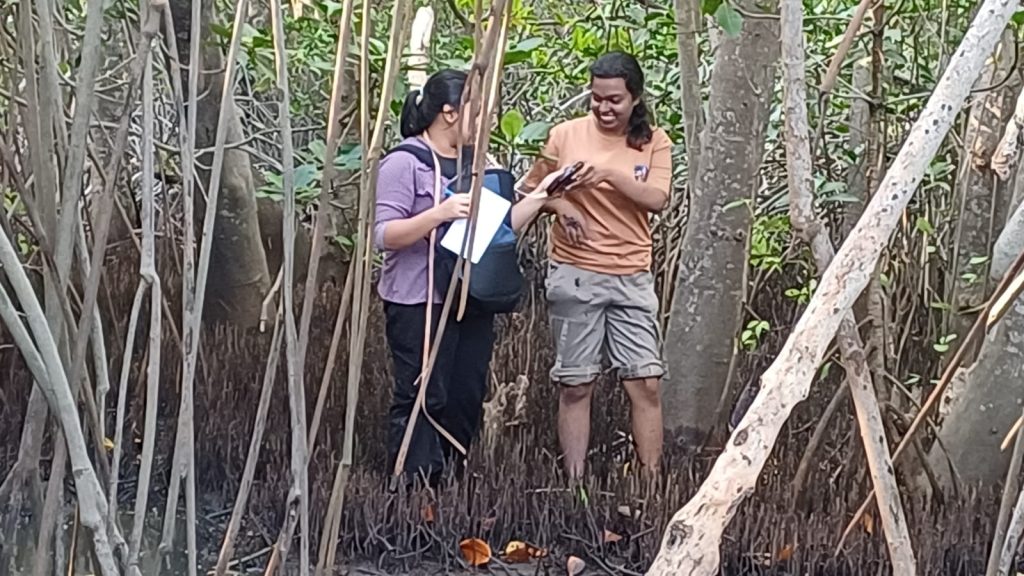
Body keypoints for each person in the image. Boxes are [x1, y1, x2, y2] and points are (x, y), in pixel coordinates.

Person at [374, 69, 563, 484]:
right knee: (425, 394)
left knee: (464, 395)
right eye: (480, 112)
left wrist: (542, 195)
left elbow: (500, 224)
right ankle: (412, 488)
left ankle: (449, 484)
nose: (489, 122)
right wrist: (438, 213)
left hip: (469, 298)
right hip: (420, 301)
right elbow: (384, 235)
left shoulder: (480, 164)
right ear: (449, 113)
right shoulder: (404, 163)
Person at [520, 51, 672, 478]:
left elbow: (657, 199)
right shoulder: (564, 136)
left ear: (635, 99)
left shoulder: (654, 141)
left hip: (632, 275)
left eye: (615, 101)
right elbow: (533, 191)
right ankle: (574, 483)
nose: (605, 108)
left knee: (645, 382)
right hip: (575, 274)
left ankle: (650, 482)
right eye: (597, 99)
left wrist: (607, 173)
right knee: (576, 383)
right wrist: (563, 205)